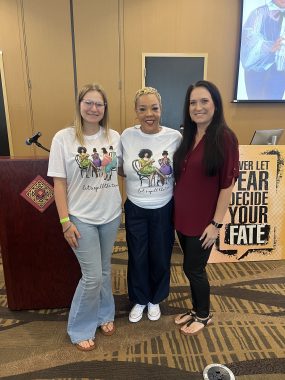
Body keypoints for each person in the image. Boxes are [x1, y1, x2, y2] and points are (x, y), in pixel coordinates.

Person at [48, 83, 122, 351]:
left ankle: (105, 314)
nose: (93, 108)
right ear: (79, 106)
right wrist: (65, 222)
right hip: (81, 218)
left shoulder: (114, 137)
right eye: (88, 103)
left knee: (103, 269)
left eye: (99, 104)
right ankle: (79, 328)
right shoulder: (63, 138)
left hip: (111, 215)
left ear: (104, 109)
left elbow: (123, 170)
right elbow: (58, 184)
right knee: (91, 276)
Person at [173, 80, 239, 336]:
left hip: (204, 221)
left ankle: (203, 314)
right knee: (189, 266)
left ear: (215, 104)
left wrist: (216, 224)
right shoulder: (189, 135)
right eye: (193, 103)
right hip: (183, 216)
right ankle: (195, 308)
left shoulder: (224, 137)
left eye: (204, 101)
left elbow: (227, 185)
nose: (197, 107)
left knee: (194, 269)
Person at [118, 87, 181, 323]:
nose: (149, 114)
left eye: (154, 108)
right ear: (136, 111)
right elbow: (121, 168)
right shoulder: (126, 136)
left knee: (161, 255)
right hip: (135, 207)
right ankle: (140, 298)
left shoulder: (175, 137)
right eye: (142, 109)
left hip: (164, 207)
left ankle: (155, 299)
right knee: (137, 255)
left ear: (161, 109)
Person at [241, 0, 285, 100]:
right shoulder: (259, 13)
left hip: (280, 73)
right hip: (259, 73)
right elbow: (248, 40)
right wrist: (270, 47)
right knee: (257, 108)